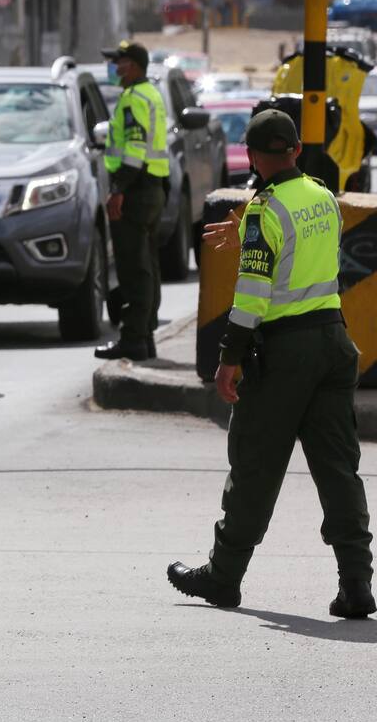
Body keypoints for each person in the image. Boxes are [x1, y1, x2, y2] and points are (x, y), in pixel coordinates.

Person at [168, 109, 374, 618]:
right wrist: (251, 237)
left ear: (254, 157)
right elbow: (302, 253)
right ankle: (357, 583)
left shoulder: (264, 210)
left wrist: (227, 360)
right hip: (333, 343)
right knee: (338, 469)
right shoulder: (323, 196)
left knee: (255, 466)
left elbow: (254, 295)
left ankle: (223, 576)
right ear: (297, 151)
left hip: (284, 353)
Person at [95, 40, 170, 361]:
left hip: (136, 190)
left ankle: (134, 338)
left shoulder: (133, 99)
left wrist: (118, 190)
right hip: (152, 188)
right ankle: (145, 334)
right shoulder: (150, 94)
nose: (114, 67)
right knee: (147, 266)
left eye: (119, 62)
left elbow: (135, 150)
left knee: (132, 268)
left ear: (135, 66)